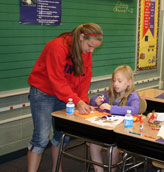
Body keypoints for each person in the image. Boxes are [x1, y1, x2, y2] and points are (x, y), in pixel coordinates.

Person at [27, 23, 103, 172]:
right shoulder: (57, 46)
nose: (91, 51)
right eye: (89, 46)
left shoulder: (86, 53)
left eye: (94, 48)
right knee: (41, 138)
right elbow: (57, 80)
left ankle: (57, 169)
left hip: (65, 95)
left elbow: (84, 78)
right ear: (81, 37)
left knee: (62, 135)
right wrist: (77, 101)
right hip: (43, 92)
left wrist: (83, 101)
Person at [89, 65, 140, 172]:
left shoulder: (133, 96)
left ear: (129, 82)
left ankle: (112, 170)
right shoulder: (110, 94)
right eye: (114, 81)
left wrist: (111, 108)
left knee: (114, 149)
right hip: (108, 131)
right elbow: (93, 100)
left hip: (123, 134)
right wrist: (96, 101)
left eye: (119, 81)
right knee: (93, 145)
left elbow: (134, 110)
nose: (115, 84)